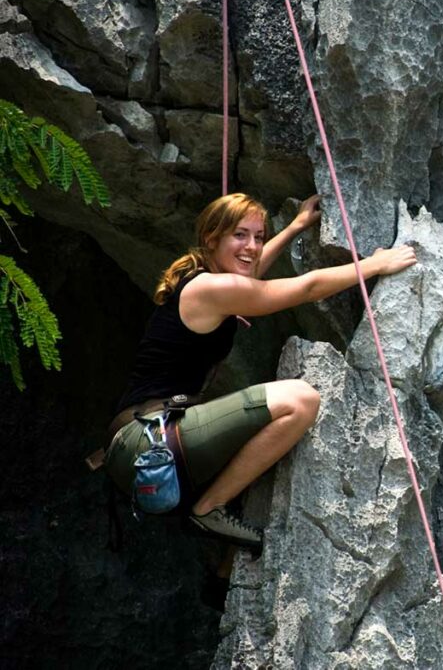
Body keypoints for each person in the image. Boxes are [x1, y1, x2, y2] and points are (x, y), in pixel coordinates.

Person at [104, 192, 416, 552]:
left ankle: (219, 554)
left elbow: (248, 272)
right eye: (240, 235)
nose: (251, 246)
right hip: (149, 442)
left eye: (259, 236)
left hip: (145, 444)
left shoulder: (202, 277)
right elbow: (306, 288)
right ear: (211, 238)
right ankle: (208, 510)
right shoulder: (210, 287)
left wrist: (296, 226)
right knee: (300, 400)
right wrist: (374, 266)